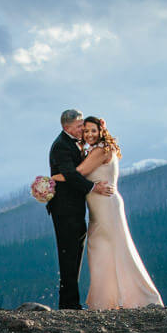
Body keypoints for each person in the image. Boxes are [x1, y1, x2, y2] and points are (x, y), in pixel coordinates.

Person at [55, 116, 163, 309]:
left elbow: (77, 173)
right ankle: (106, 300)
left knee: (113, 248)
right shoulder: (99, 149)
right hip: (99, 208)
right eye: (86, 131)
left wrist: (52, 178)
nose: (88, 134)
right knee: (102, 250)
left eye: (92, 131)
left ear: (101, 131)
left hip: (106, 206)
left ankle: (136, 297)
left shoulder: (100, 150)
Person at [47, 109, 114, 310]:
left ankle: (70, 302)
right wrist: (93, 187)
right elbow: (72, 174)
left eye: (83, 125)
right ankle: (69, 303)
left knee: (75, 253)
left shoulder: (75, 144)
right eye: (79, 126)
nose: (83, 129)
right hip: (65, 209)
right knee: (68, 254)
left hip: (75, 208)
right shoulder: (61, 146)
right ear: (66, 127)